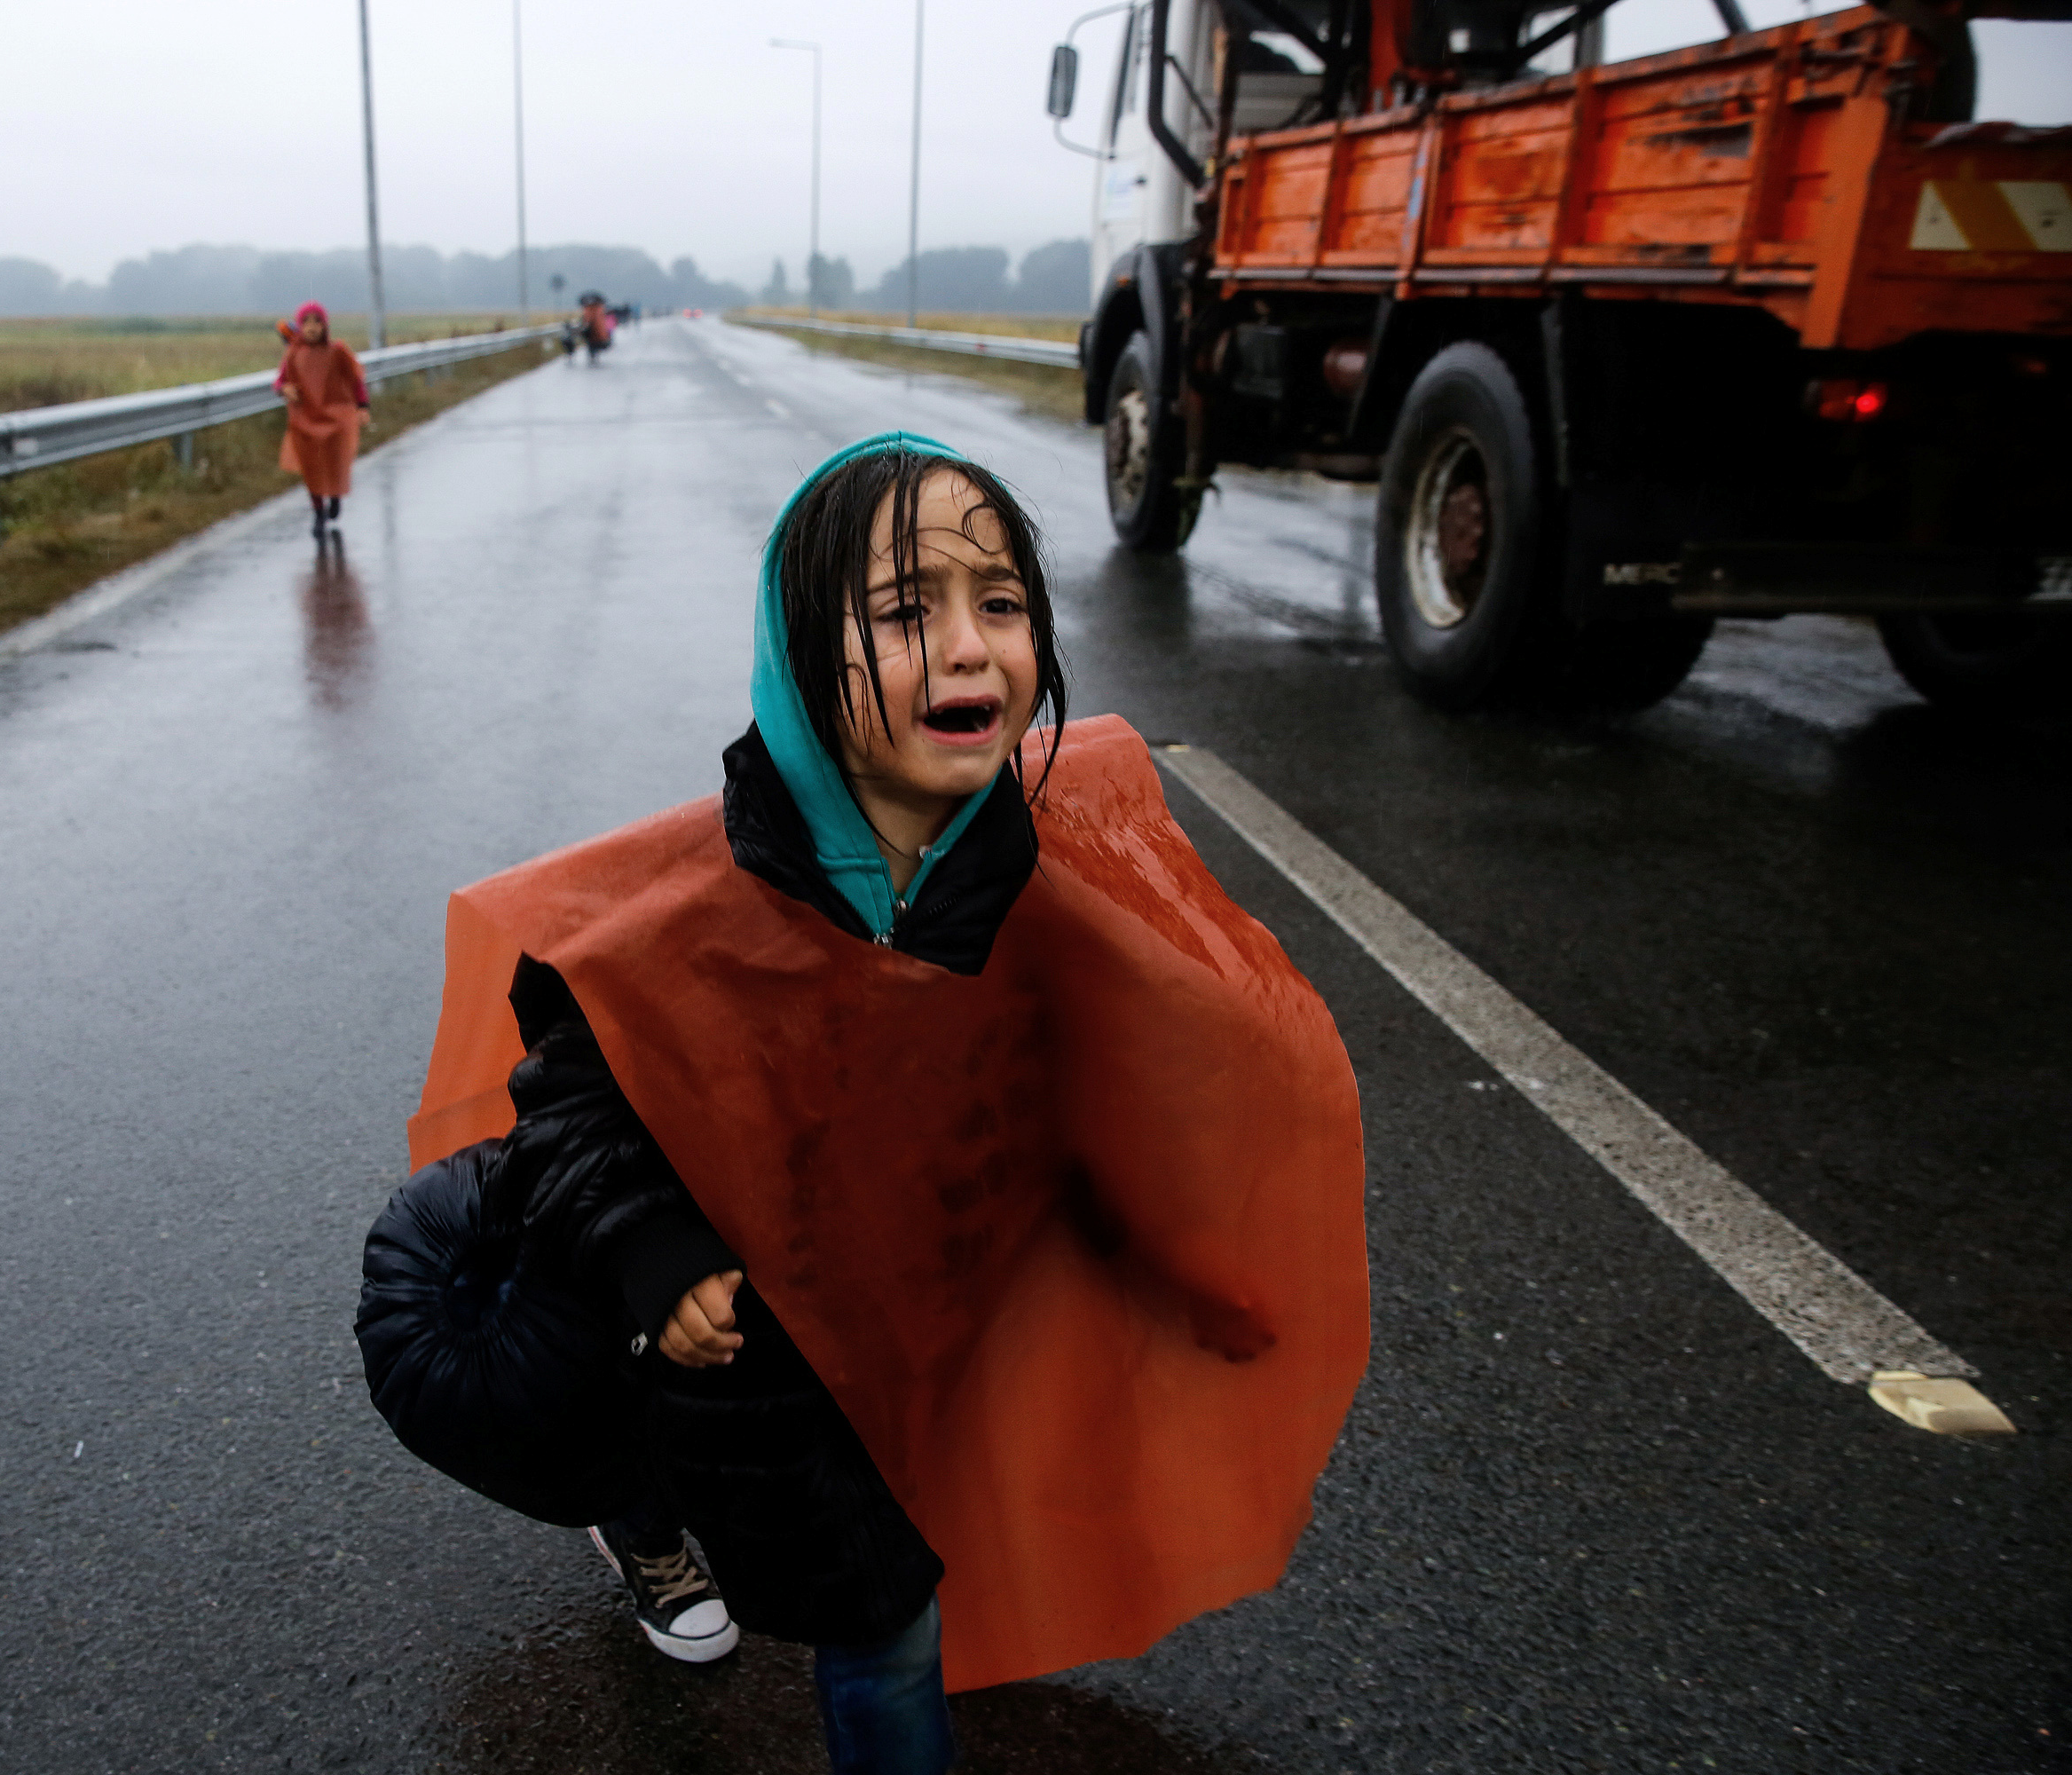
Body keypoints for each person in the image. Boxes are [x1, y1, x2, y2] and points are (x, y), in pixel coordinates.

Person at [400, 433, 1369, 1773]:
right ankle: (641, 1515)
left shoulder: (1042, 907)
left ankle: (657, 1509)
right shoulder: (678, 924)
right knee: (885, 1625)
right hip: (761, 1380)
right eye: (909, 610)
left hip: (925, 1345)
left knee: (892, 1603)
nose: (971, 647)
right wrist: (653, 1248)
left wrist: (1178, 1274)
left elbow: (1075, 1123)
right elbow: (569, 1111)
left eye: (1003, 601)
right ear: (802, 654)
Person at [273, 302, 369, 540]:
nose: (312, 327)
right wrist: (284, 389)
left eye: (318, 322)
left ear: (325, 326)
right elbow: (279, 381)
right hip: (305, 420)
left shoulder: (337, 352)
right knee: (312, 468)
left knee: (335, 462)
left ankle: (334, 498)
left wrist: (362, 406)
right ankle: (318, 513)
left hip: (337, 419)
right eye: (306, 322)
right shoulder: (294, 354)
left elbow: (355, 380)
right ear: (300, 325)